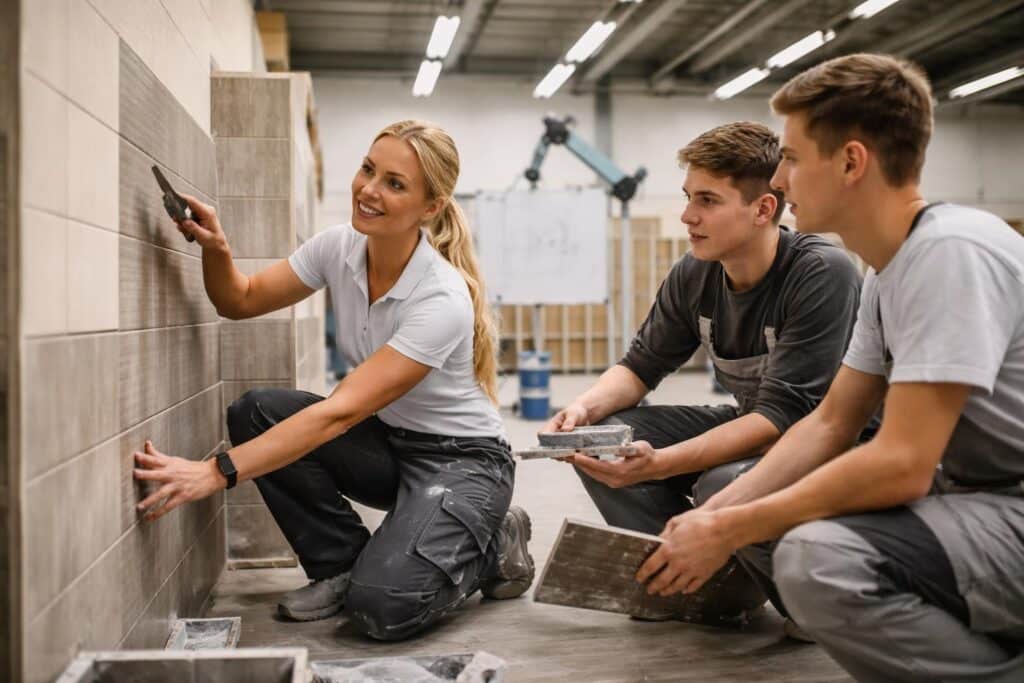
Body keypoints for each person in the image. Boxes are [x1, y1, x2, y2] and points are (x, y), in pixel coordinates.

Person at [638, 53, 1024, 681]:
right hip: (975, 500)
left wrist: (730, 526)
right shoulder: (886, 271)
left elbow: (901, 464)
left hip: (1005, 505)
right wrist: (714, 517)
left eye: (790, 158)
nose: (780, 180)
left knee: (820, 559)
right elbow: (827, 426)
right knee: (772, 514)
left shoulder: (950, 253)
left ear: (850, 162)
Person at [132, 120, 535, 641]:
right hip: (393, 445)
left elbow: (338, 413)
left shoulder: (440, 299)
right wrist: (217, 247)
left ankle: (492, 543)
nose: (369, 189)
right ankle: (343, 566)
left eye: (395, 183)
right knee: (256, 412)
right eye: (369, 169)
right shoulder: (338, 248)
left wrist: (215, 473)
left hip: (464, 463)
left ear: (430, 207)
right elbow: (240, 300)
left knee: (385, 609)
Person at [545, 121, 867, 625]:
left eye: (708, 201)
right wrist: (586, 408)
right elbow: (640, 366)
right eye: (688, 197)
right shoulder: (695, 273)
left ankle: (805, 601)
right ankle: (699, 583)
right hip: (754, 423)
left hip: (829, 449)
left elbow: (782, 420)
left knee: (723, 482)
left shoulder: (822, 272)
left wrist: (660, 464)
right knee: (601, 440)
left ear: (764, 209)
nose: (687, 215)